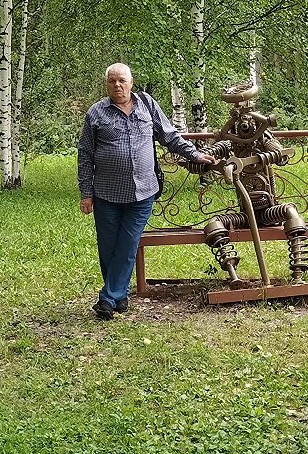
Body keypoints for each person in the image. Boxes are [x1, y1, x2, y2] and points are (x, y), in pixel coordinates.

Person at [78, 63, 215, 320]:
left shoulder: (147, 105)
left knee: (128, 244)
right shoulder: (96, 112)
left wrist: (195, 154)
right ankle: (118, 297)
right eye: (112, 81)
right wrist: (86, 193)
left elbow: (170, 136)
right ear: (106, 84)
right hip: (106, 193)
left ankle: (107, 298)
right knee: (108, 246)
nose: (117, 85)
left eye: (122, 80)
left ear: (131, 82)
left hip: (143, 192)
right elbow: (85, 154)